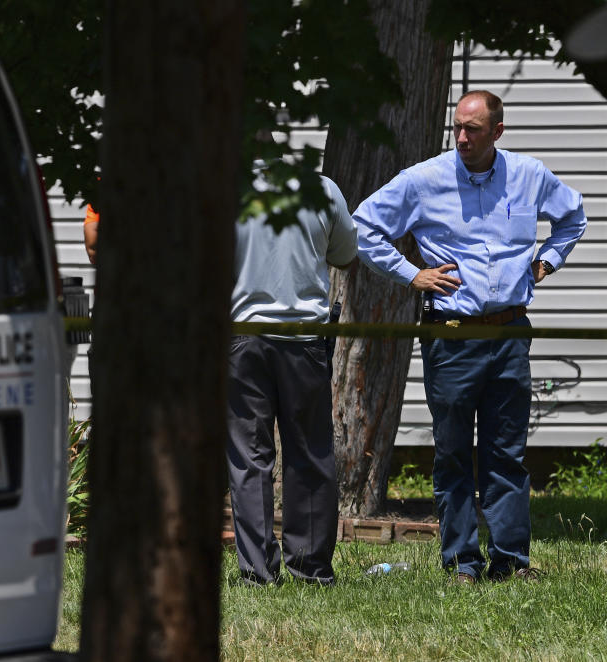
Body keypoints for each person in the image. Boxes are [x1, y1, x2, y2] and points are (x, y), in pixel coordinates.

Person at [353, 90, 587, 583]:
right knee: (454, 450)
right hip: (451, 336)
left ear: (497, 132)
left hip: (508, 334)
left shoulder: (528, 175)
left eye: (473, 130)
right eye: (457, 127)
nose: (461, 137)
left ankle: (511, 562)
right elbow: (363, 226)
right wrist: (411, 274)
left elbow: (573, 218)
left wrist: (549, 260)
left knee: (507, 451)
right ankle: (462, 562)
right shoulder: (424, 179)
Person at [227, 175, 357, 587]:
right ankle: (310, 568)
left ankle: (258, 571)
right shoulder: (321, 189)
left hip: (243, 338)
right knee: (309, 452)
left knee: (249, 457)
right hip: (303, 338)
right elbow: (345, 252)